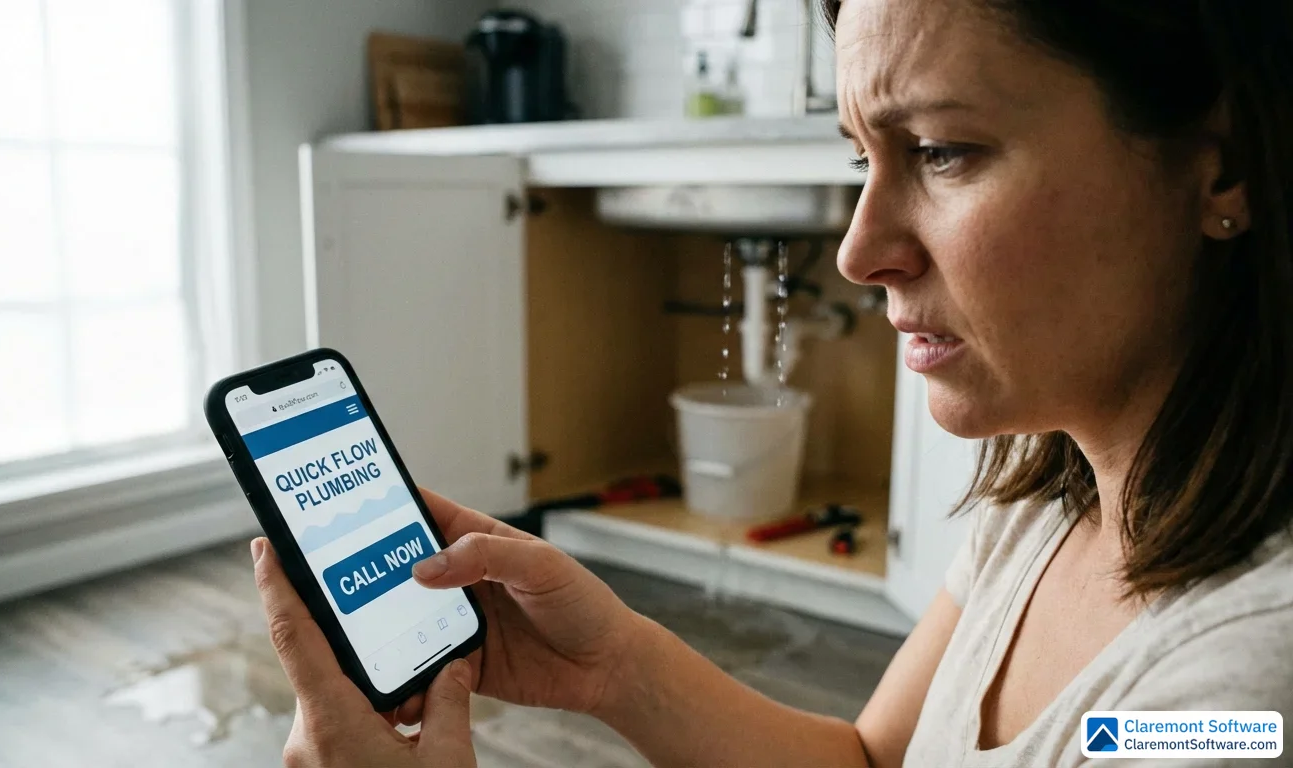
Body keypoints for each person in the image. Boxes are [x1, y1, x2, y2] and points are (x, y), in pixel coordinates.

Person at [252, 0, 1293, 765]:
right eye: (862, 161)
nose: (858, 252)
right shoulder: (1049, 509)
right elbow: (870, 761)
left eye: (941, 151)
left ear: (1224, 169)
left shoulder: (1235, 696)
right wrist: (616, 663)